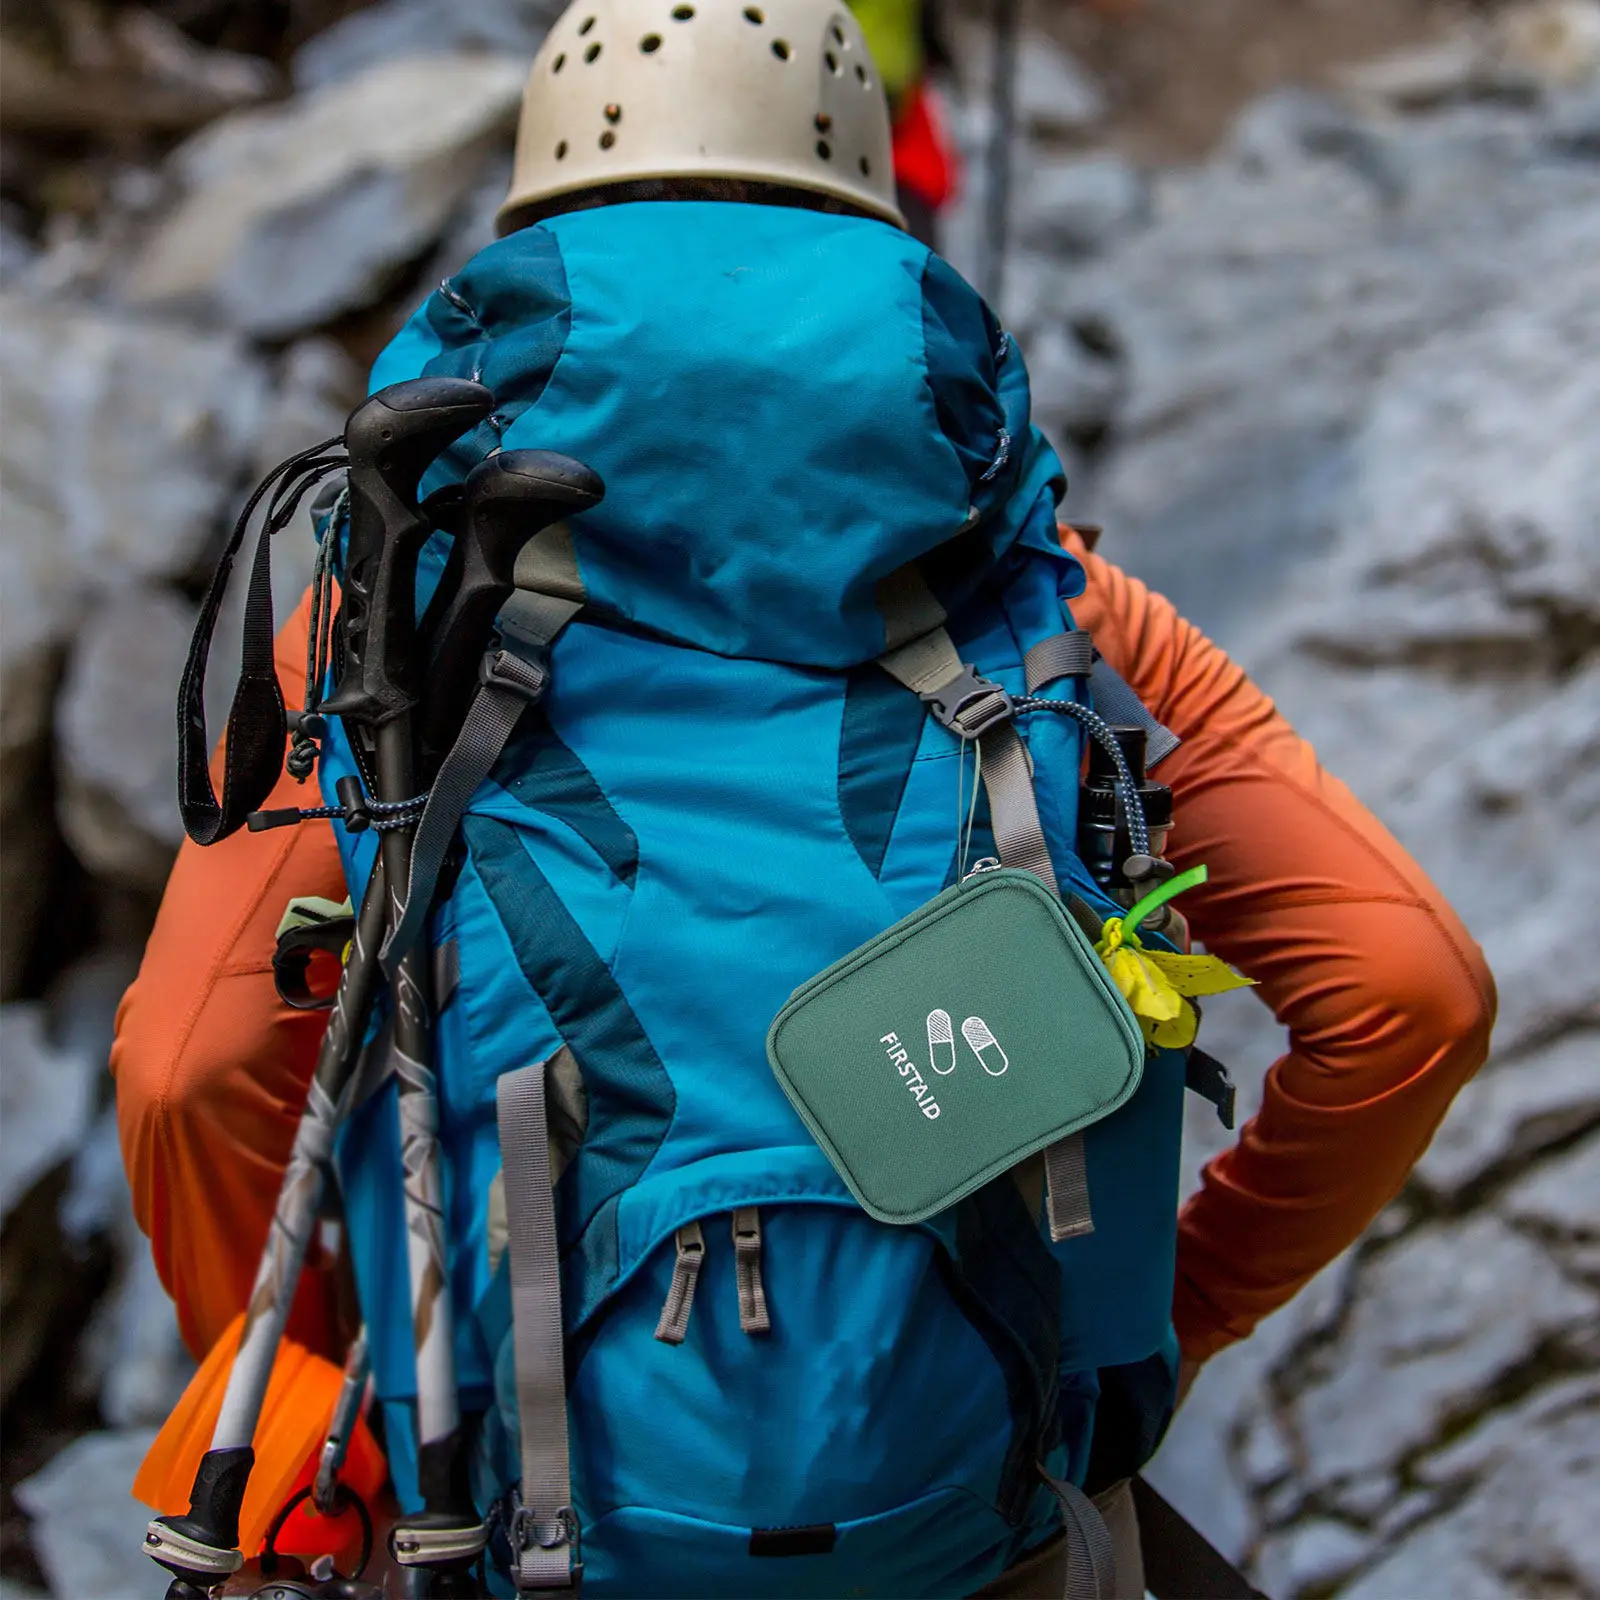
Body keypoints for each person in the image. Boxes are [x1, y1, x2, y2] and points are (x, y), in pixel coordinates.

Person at [113, 2, 1495, 1593]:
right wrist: (1158, 1328)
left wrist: (311, 1384)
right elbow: (1412, 995)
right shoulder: (1050, 605)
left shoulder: (390, 614)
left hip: (509, 1517)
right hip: (972, 1516)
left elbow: (186, 1071)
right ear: (867, 211)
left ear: (540, 210)